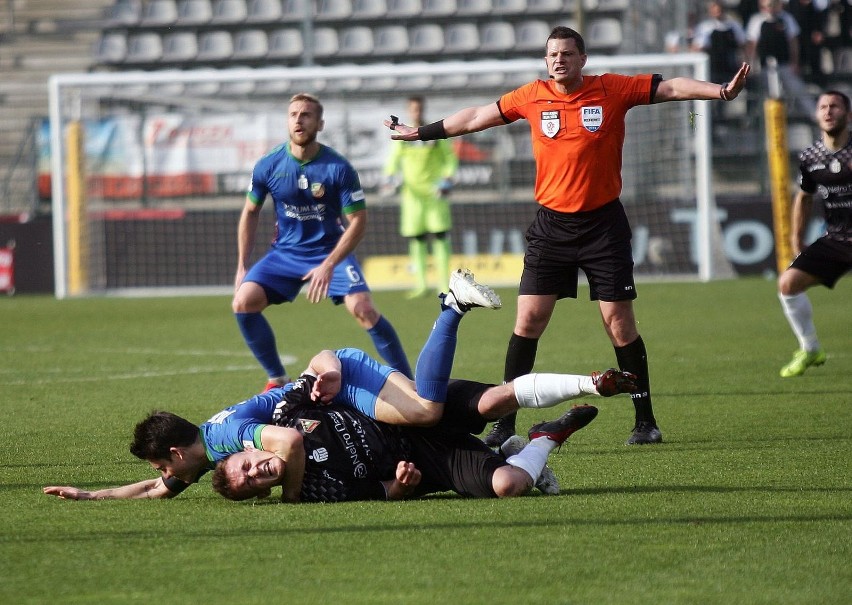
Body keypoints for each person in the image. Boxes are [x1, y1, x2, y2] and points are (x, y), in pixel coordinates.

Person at [384, 26, 750, 446]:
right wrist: (420, 133)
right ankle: (505, 422)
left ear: (582, 59)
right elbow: (474, 117)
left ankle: (645, 421)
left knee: (619, 324)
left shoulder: (612, 89)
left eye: (566, 54)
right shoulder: (531, 95)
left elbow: (670, 88)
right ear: (546, 61)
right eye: (552, 54)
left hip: (603, 227)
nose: (558, 60)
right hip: (552, 227)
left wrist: (719, 91)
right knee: (528, 320)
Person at [43, 272, 636, 500]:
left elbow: (291, 443)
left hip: (341, 378)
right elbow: (155, 490)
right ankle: (536, 440)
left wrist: (295, 495)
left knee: (429, 409)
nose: (167, 478)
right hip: (341, 398)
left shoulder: (227, 436)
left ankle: (452, 303)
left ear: (176, 454)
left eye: (163, 468)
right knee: (485, 436)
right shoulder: (207, 459)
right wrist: (93, 496)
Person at [233, 92, 412, 392]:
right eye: (293, 115)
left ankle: (409, 383)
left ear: (320, 123)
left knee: (364, 309)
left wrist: (328, 265)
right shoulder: (268, 165)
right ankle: (277, 378)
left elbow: (358, 222)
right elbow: (250, 212)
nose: (299, 120)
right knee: (243, 302)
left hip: (332, 251)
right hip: (286, 253)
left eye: (306, 115)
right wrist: (241, 266)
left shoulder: (338, 167)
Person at [213, 401, 599, 502]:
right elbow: (384, 492)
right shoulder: (315, 492)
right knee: (509, 485)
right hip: (431, 461)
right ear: (260, 493)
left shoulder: (285, 414)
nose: (254, 472)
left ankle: (583, 384)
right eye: (249, 483)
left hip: (414, 414)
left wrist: (329, 364)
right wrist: (402, 483)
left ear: (249, 450)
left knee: (490, 403)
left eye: (245, 465)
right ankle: (543, 439)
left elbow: (323, 363)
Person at [777, 89, 851, 377]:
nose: (829, 111)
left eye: (835, 106)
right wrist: (797, 238)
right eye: (823, 107)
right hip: (837, 238)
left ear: (848, 114)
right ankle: (810, 348)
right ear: (817, 114)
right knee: (788, 284)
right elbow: (804, 196)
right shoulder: (810, 156)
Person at [383, 96, 459, 298]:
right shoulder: (404, 135)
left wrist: (447, 178)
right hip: (412, 195)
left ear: (423, 109)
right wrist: (389, 175)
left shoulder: (432, 132)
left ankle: (443, 283)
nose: (416, 112)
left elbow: (449, 158)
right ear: (409, 111)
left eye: (419, 109)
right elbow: (394, 157)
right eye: (413, 109)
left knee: (440, 236)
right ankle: (421, 283)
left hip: (434, 193)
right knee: (417, 238)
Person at [745, 0, 815, 117]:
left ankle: (814, 115)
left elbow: (793, 42)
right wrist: (751, 64)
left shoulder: (786, 19)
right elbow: (752, 44)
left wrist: (795, 62)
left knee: (797, 89)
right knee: (767, 95)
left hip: (785, 64)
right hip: (765, 66)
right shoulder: (757, 20)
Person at [691, 0, 748, 125]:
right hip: (712, 69)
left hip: (730, 68)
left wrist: (746, 63)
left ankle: (744, 119)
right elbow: (698, 47)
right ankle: (711, 123)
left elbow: (743, 45)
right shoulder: (706, 27)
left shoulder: (733, 26)